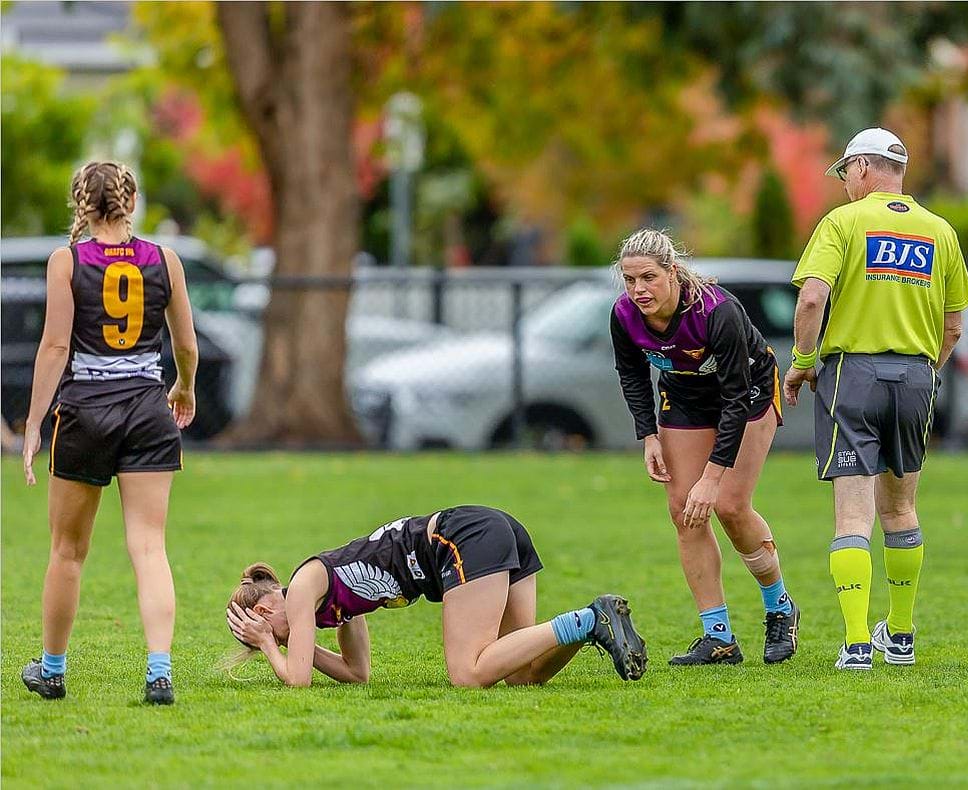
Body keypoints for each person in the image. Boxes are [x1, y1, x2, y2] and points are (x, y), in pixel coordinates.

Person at [784, 127, 968, 671]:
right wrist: (923, 372)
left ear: (863, 169)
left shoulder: (843, 222)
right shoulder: (939, 231)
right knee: (902, 508)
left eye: (845, 171)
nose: (845, 182)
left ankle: (855, 642)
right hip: (918, 376)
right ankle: (902, 634)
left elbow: (812, 298)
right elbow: (955, 325)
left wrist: (801, 364)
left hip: (853, 373)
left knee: (852, 514)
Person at [20, 161, 199, 705]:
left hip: (85, 413)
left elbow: (54, 349)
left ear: (80, 205)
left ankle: (52, 671)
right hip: (148, 410)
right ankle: (159, 672)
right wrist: (184, 388)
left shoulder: (66, 261)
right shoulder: (164, 259)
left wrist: (31, 424)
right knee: (149, 547)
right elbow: (186, 346)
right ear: (132, 201)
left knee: (68, 552)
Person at [610, 228, 799, 666]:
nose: (639, 289)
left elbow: (735, 399)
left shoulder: (718, 312)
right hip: (687, 396)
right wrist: (649, 436)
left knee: (731, 504)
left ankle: (780, 608)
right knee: (684, 510)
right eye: (630, 279)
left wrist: (712, 478)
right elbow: (633, 374)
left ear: (672, 272)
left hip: (746, 393)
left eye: (648, 278)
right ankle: (719, 637)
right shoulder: (623, 315)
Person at [224, 505, 648, 687]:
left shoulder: (300, 588)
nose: (288, 641)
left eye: (281, 637)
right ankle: (593, 623)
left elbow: (297, 680)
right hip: (489, 529)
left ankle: (588, 619)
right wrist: (295, 644)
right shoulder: (330, 602)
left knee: (466, 673)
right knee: (522, 673)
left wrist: (267, 644)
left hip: (463, 537)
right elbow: (358, 673)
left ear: (264, 609)